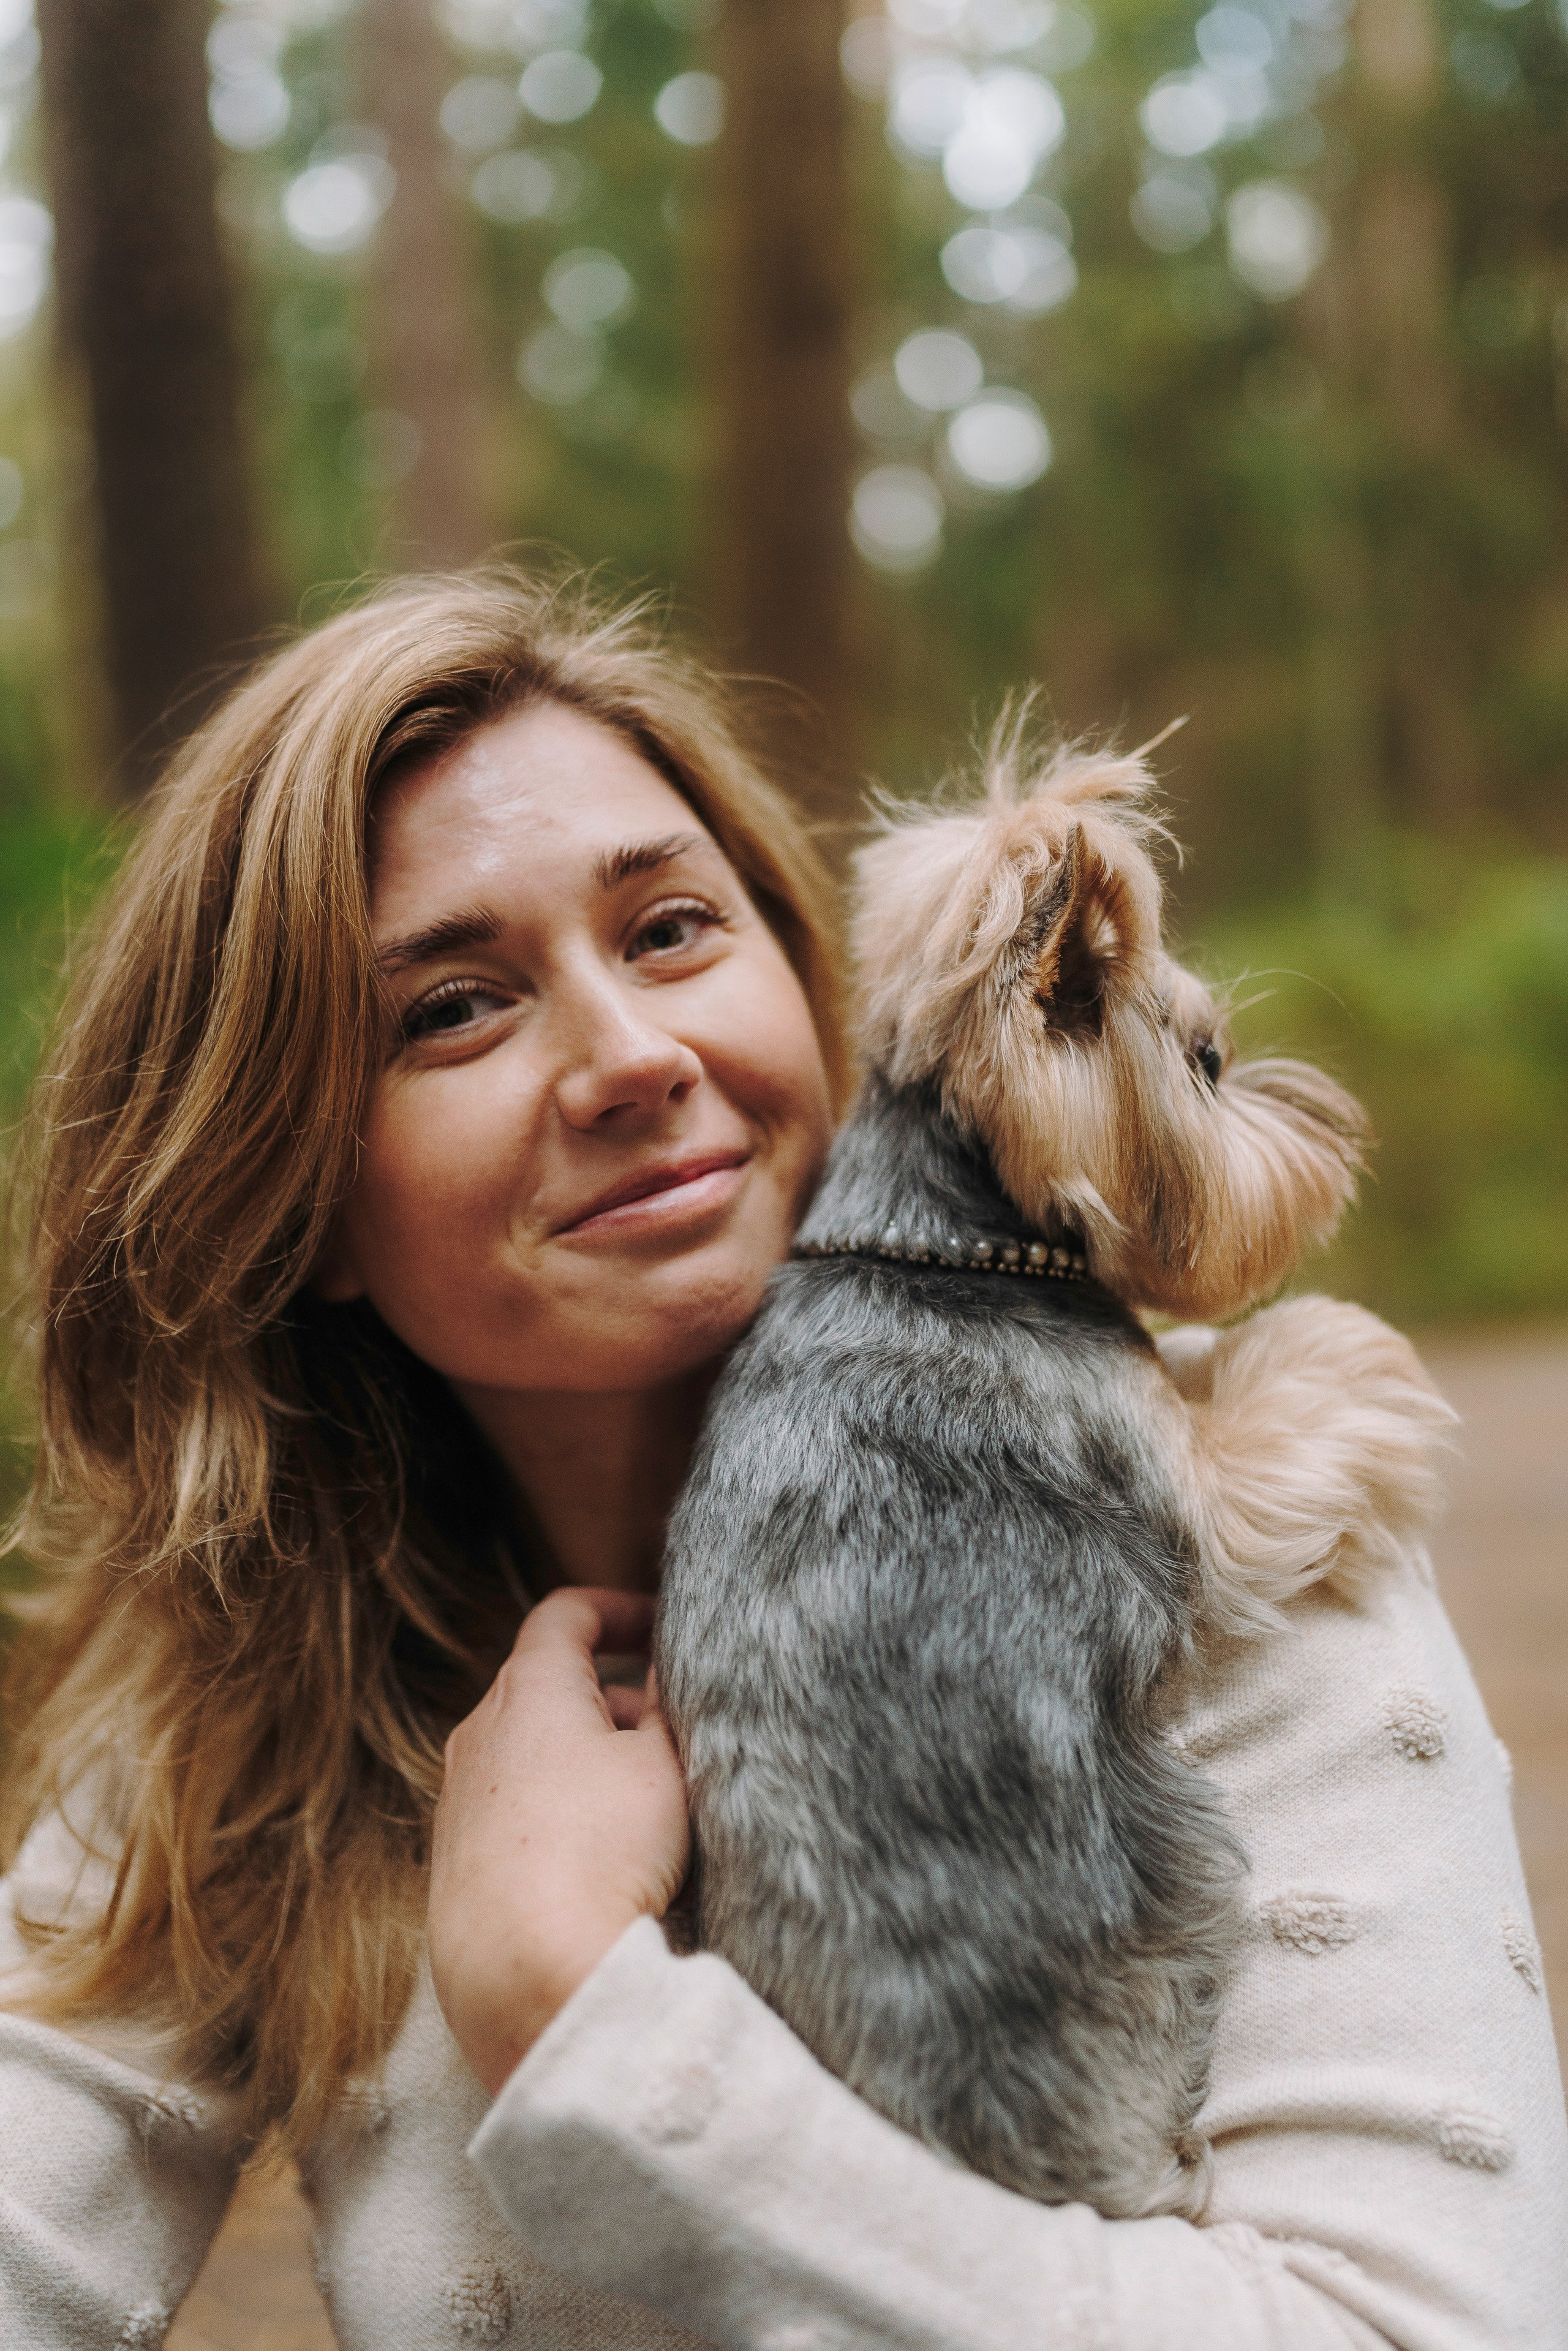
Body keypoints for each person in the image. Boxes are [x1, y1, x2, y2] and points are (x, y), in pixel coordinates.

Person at [0, 572, 1562, 2351]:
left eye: (669, 929)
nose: (632, 1057)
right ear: (297, 1204)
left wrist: (586, 2023)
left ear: (806, 975)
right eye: (451, 1009)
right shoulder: (251, 1724)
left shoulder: (1228, 1510)